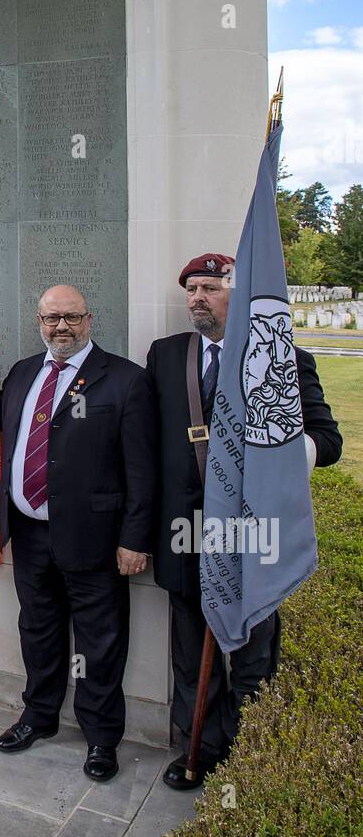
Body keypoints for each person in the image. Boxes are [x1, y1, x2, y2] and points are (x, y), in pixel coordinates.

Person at [147, 253, 343, 789]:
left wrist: (274, 450)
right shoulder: (166, 357)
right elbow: (148, 449)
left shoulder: (282, 361)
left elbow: (328, 444)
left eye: (210, 288)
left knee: (253, 657)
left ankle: (248, 759)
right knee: (190, 657)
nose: (197, 299)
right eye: (191, 290)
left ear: (238, 294)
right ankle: (199, 750)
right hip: (186, 537)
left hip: (253, 539)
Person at [0, 284, 156, 782]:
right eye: (50, 318)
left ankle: (102, 737)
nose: (60, 327)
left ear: (90, 319)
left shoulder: (125, 380)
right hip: (30, 533)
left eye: (70, 317)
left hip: (96, 539)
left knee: (99, 642)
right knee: (37, 631)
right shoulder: (22, 374)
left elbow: (142, 468)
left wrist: (135, 538)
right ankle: (38, 716)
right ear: (38, 321)